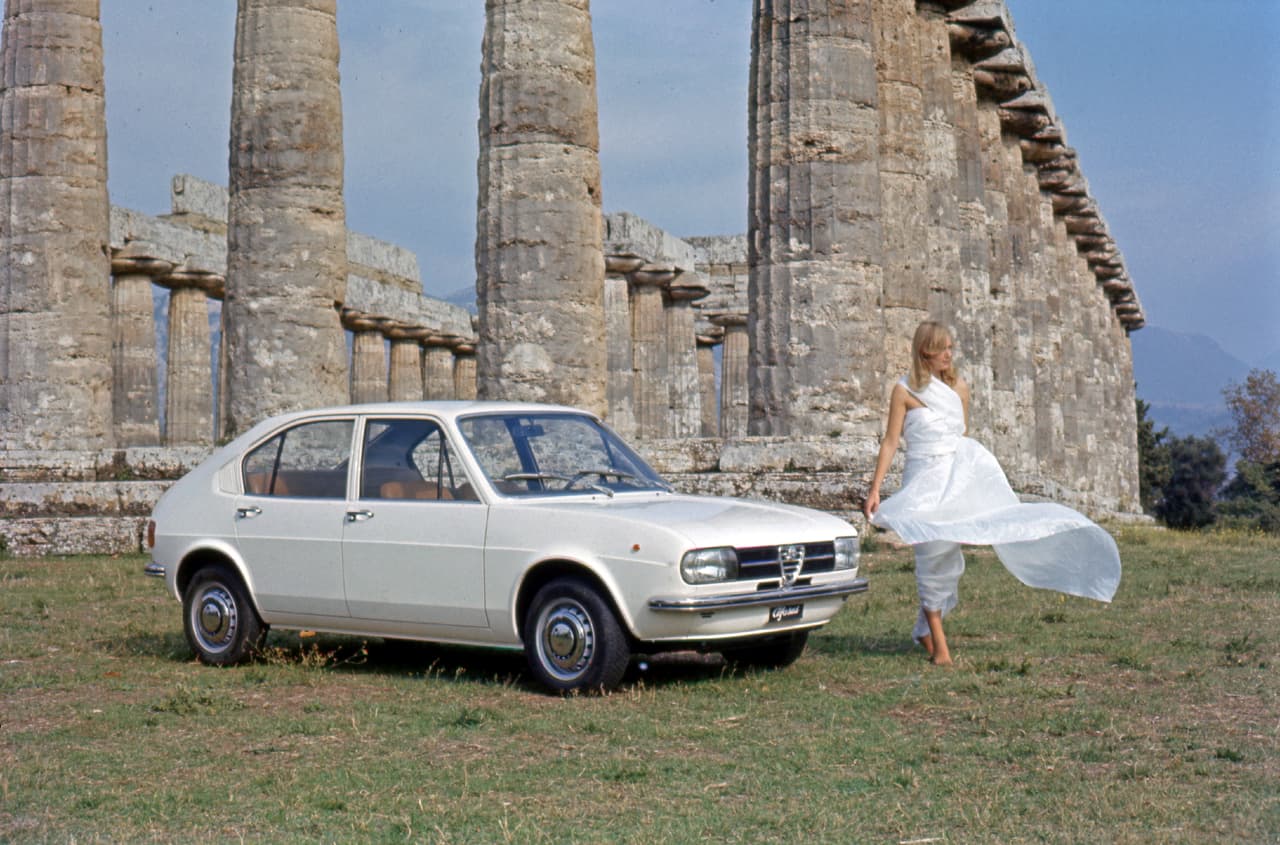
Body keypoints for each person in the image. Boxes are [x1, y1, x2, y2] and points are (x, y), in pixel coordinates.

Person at [863, 320, 1121, 666]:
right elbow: (892, 441)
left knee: (948, 556)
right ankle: (940, 647)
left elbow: (961, 433)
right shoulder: (904, 390)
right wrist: (876, 488)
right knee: (930, 555)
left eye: (951, 348)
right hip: (922, 481)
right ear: (926, 351)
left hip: (953, 479)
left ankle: (926, 630)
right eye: (944, 349)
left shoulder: (959, 388)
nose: (949, 354)